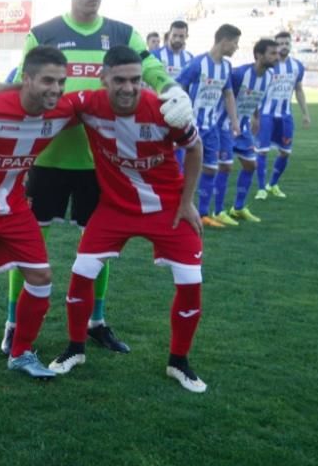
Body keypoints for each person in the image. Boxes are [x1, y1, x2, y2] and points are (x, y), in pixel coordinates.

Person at [1, 0, 193, 358]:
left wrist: (173, 90)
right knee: (30, 243)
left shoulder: (124, 33)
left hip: (100, 166)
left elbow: (153, 71)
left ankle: (96, 321)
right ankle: (13, 321)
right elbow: (24, 84)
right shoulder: (45, 33)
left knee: (98, 248)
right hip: (50, 160)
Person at [48, 46, 207, 394]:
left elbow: (195, 149)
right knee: (81, 274)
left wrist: (187, 201)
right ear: (103, 78)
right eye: (119, 80)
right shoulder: (88, 104)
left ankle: (178, 362)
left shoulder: (165, 112)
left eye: (136, 80)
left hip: (166, 208)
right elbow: (42, 106)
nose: (129, 88)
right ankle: (76, 348)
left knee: (190, 281)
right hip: (115, 208)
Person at [0, 46, 81, 383]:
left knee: (41, 278)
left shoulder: (63, 111)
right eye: (48, 80)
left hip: (15, 206)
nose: (56, 89)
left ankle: (20, 352)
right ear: (27, 79)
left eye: (61, 82)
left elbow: (103, 104)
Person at [176, 24, 241, 228]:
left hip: (211, 126)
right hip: (190, 125)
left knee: (211, 168)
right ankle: (179, 206)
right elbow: (178, 85)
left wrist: (235, 120)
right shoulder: (198, 64)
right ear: (225, 41)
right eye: (235, 43)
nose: (236, 48)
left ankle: (203, 213)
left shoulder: (226, 67)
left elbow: (228, 94)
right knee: (182, 170)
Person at [226, 39, 279, 221]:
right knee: (218, 168)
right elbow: (225, 96)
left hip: (244, 128)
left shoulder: (269, 77)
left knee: (251, 165)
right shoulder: (239, 74)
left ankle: (238, 208)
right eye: (272, 53)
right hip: (225, 126)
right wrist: (229, 122)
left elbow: (256, 96)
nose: (276, 57)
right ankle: (213, 212)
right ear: (259, 55)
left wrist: (255, 116)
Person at [254, 31, 312, 199]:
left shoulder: (297, 66)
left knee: (285, 152)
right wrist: (254, 115)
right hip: (266, 115)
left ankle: (272, 184)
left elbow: (299, 90)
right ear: (275, 46)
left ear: (291, 44)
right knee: (262, 151)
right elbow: (256, 90)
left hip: (286, 115)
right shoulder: (267, 66)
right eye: (280, 44)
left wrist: (305, 114)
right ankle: (261, 188)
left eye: (287, 43)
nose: (284, 46)